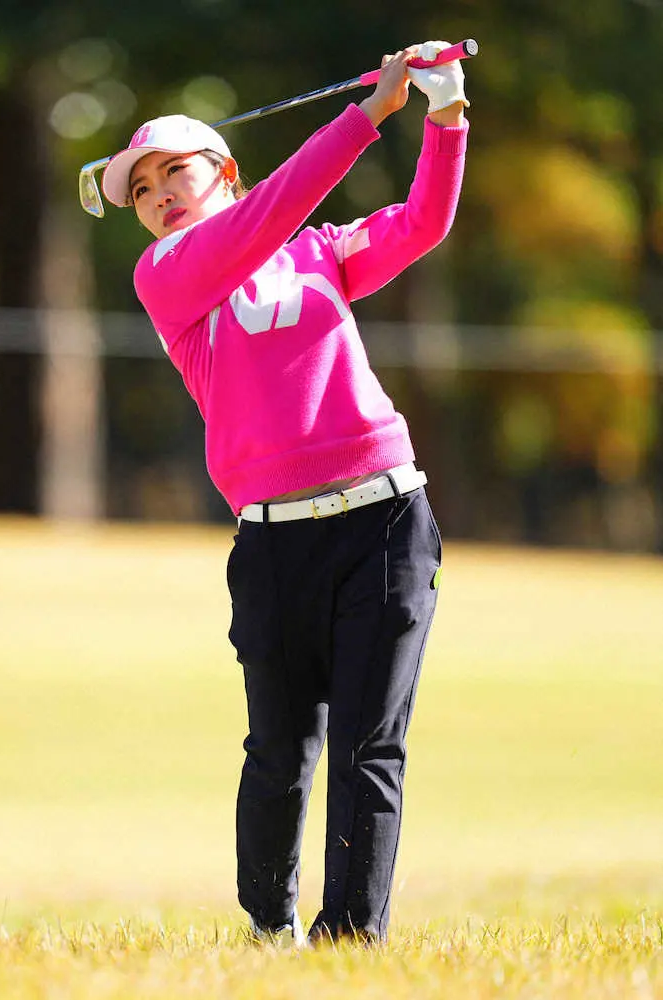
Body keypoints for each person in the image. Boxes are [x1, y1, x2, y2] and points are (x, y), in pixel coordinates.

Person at [96, 42, 469, 945]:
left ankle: (350, 942)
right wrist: (368, 115)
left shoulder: (319, 251)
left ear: (224, 170)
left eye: (175, 171)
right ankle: (271, 930)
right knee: (280, 749)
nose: (158, 196)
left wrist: (446, 115)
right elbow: (271, 212)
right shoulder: (168, 276)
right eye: (141, 189)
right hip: (274, 540)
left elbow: (421, 223)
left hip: (385, 519)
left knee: (370, 745)